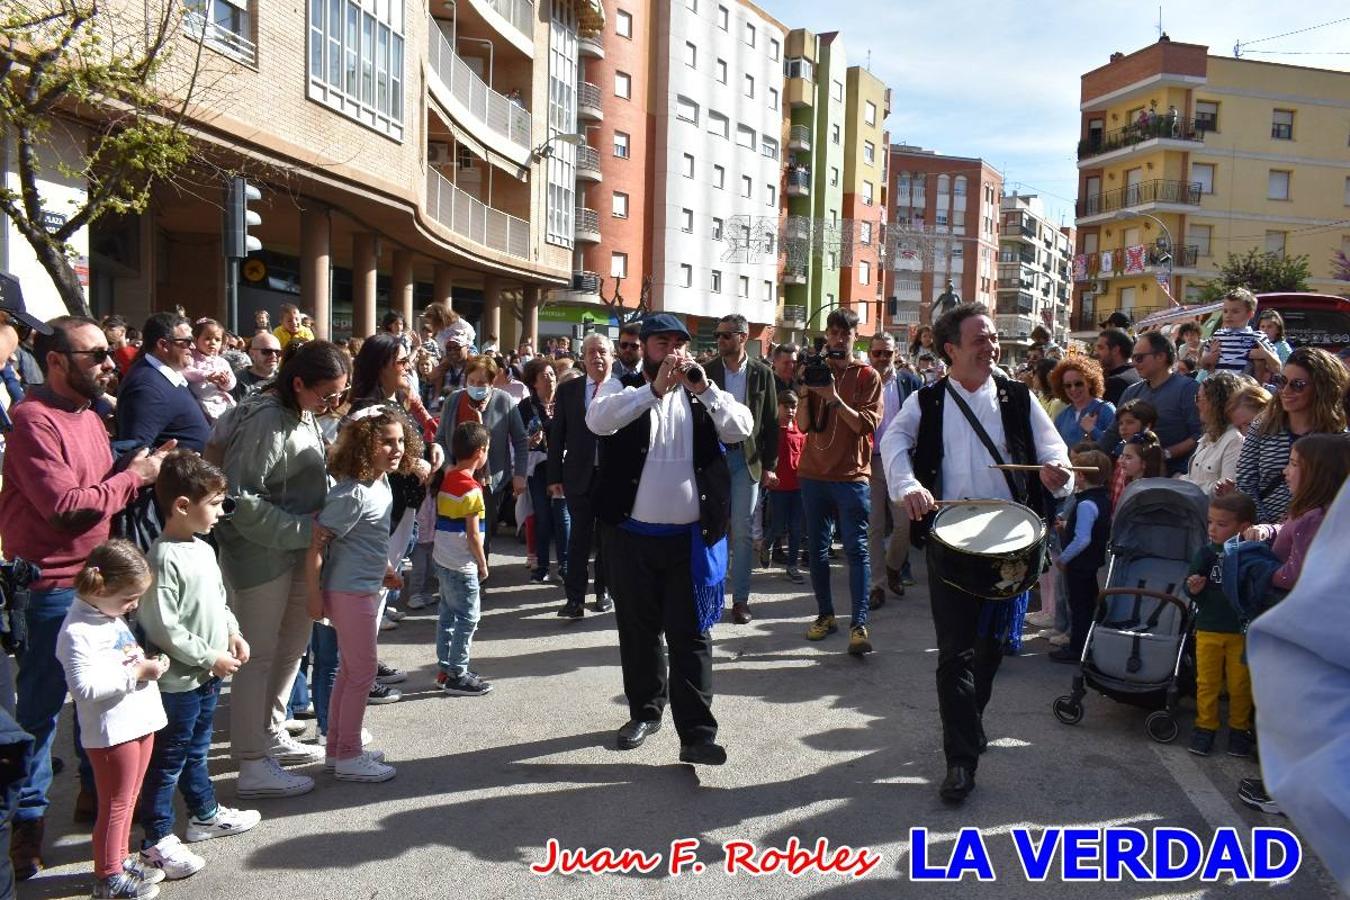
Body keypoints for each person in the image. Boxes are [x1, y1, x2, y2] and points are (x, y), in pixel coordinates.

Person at [0, 316, 173, 881]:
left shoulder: (91, 415)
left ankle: (96, 805)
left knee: (102, 703)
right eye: (95, 354)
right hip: (51, 587)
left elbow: (97, 493)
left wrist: (138, 467)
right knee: (42, 712)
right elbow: (68, 508)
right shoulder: (32, 420)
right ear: (54, 361)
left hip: (102, 584)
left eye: (110, 352)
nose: (108, 362)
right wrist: (136, 477)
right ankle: (25, 829)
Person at [881, 302, 1073, 804]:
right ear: (950, 350)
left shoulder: (1018, 397)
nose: (990, 346)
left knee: (990, 651)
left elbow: (1056, 452)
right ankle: (961, 760)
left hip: (1008, 543)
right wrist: (908, 485)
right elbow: (893, 444)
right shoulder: (926, 401)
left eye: (991, 338)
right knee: (954, 653)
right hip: (949, 542)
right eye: (980, 339)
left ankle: (970, 723)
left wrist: (1057, 472)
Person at [585, 313, 752, 765]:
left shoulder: (705, 391)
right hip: (631, 537)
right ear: (645, 346)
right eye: (662, 341)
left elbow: (742, 428)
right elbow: (598, 422)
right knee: (638, 631)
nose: (672, 351)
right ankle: (645, 710)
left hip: (689, 541)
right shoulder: (622, 387)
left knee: (691, 635)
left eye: (679, 342)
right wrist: (653, 390)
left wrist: (705, 390)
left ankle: (697, 734)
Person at [212, 340, 351, 799]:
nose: (332, 404)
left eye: (338, 394)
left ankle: (268, 734)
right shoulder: (268, 418)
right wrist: (303, 530)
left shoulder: (299, 410)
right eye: (326, 394)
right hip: (260, 553)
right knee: (259, 655)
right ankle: (251, 762)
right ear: (298, 383)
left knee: (292, 646)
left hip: (294, 549)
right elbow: (240, 497)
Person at [136, 453, 259, 879]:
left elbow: (218, 603)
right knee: (169, 759)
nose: (222, 512)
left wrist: (233, 632)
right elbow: (163, 625)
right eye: (216, 503)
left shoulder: (204, 549)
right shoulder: (163, 557)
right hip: (178, 683)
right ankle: (155, 841)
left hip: (207, 676)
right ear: (183, 505)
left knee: (196, 751)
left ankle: (204, 813)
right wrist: (211, 656)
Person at [1244, 480, 1350, 882]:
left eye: (1295, 465)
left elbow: (1295, 573)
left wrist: (1260, 567)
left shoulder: (1317, 518)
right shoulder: (1309, 513)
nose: (1287, 471)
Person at [303, 408, 412, 784]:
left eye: (400, 441)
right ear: (366, 445)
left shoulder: (379, 484)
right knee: (362, 671)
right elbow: (316, 545)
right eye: (387, 441)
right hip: (349, 592)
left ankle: (338, 749)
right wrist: (314, 595)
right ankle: (349, 754)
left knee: (351, 671)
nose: (396, 448)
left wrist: (385, 568)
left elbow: (368, 537)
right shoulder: (352, 493)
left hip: (363, 588)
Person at [55, 541, 168, 900]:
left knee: (130, 796)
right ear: (100, 588)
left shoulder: (107, 614)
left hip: (135, 721)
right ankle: (107, 877)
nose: (133, 605)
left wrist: (145, 667)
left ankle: (119, 860)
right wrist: (138, 672)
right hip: (111, 733)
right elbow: (84, 687)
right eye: (128, 598)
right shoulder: (76, 631)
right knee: (116, 803)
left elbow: (122, 660)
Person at [796, 309, 882, 654]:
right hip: (813, 473)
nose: (838, 339)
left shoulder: (867, 376)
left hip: (851, 476)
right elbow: (803, 426)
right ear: (826, 336)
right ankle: (825, 615)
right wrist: (806, 390)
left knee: (856, 550)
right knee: (816, 550)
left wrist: (833, 397)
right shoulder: (815, 373)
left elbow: (865, 425)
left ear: (854, 336)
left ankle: (859, 624)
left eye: (844, 333)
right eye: (832, 333)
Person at [705, 315, 778, 625]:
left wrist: (770, 466)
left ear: (742, 337)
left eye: (725, 336)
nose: (719, 341)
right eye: (717, 336)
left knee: (744, 532)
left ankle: (741, 600)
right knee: (714, 528)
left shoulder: (763, 374)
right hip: (713, 460)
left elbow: (772, 422)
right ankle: (712, 595)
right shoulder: (707, 371)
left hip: (747, 461)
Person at [1233, 347, 1347, 524]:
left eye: (1298, 385)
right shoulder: (1263, 426)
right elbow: (1245, 481)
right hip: (1261, 531)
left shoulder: (1337, 436)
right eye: (1281, 381)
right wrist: (1266, 527)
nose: (1285, 390)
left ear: (1321, 388)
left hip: (1311, 531)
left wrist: (1295, 526)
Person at [547, 334, 616, 618]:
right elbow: (557, 435)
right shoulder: (569, 390)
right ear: (583, 357)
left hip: (613, 476)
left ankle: (603, 592)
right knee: (578, 539)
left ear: (612, 356)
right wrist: (554, 476)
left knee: (607, 540)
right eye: (590, 352)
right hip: (578, 476)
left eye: (602, 351)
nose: (596, 357)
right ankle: (574, 599)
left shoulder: (624, 388)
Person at [1184, 492, 1257, 758]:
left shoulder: (1252, 555)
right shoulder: (1205, 553)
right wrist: (1194, 587)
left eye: (1221, 524)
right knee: (1207, 683)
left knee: (1240, 684)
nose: (1213, 529)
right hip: (1209, 627)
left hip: (1240, 631)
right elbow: (1191, 586)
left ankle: (1239, 729)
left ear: (1244, 527)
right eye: (1210, 522)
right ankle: (1205, 727)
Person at [436, 356, 527, 560]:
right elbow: (440, 438)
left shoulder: (504, 401)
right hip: (455, 478)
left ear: (492, 383)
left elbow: (520, 440)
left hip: (489, 481)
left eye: (482, 383)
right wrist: (447, 467)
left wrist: (519, 474)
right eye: (472, 382)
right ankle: (455, 576)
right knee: (454, 532)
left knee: (481, 533)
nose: (476, 387)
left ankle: (478, 577)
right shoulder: (454, 400)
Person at [432, 422, 493, 696]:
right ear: (480, 452)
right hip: (461, 563)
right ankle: (458, 672)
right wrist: (482, 563)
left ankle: (446, 668)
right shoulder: (472, 490)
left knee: (447, 615)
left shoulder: (447, 478)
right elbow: (473, 535)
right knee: (468, 618)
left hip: (442, 559)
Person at [866, 332, 918, 607]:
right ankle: (877, 585)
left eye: (887, 353)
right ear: (870, 354)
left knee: (905, 524)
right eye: (878, 353)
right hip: (870, 461)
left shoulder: (910, 382)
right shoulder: (862, 380)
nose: (883, 358)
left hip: (901, 462)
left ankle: (893, 566)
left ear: (895, 354)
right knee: (874, 526)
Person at [1049, 449, 1113, 664]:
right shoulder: (1102, 499)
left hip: (1080, 564)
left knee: (1080, 606)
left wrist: (1063, 558)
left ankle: (1078, 647)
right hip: (1090, 562)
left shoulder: (1086, 503)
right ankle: (1084, 643)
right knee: (1086, 603)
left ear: (1082, 475)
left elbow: (1082, 539)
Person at [1107, 330, 1201, 475]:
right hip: (1134, 477)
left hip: (1176, 477)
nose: (1134, 363)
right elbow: (1112, 434)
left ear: (1160, 357)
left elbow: (1199, 435)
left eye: (1139, 358)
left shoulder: (1188, 389)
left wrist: (1165, 454)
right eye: (1133, 358)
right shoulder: (1131, 392)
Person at [115, 312, 211, 452]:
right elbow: (135, 453)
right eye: (187, 342)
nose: (193, 347)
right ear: (163, 345)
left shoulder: (168, 376)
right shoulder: (146, 387)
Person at [519, 358, 569, 584]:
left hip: (563, 465)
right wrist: (530, 440)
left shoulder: (566, 401)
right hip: (538, 467)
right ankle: (541, 567)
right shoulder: (525, 406)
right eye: (543, 376)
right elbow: (517, 440)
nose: (549, 378)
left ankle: (566, 566)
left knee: (563, 516)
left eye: (551, 374)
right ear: (533, 383)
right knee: (542, 516)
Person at [1181, 372, 1245, 496]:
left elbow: (1225, 490)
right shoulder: (1207, 437)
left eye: (1199, 398)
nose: (1197, 404)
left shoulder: (1234, 440)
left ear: (1216, 403)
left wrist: (1186, 487)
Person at [765, 390, 805, 584]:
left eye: (793, 406)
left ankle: (792, 566)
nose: (790, 410)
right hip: (778, 487)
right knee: (778, 525)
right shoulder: (772, 429)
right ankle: (767, 544)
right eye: (786, 406)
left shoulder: (799, 429)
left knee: (796, 528)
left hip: (798, 487)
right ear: (778, 407)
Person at [1201, 288, 1280, 376]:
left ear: (1250, 314)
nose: (1228, 315)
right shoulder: (1217, 336)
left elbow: (1277, 368)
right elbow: (1202, 365)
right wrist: (1208, 359)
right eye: (1225, 311)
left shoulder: (1257, 337)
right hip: (1218, 387)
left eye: (1235, 311)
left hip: (1244, 387)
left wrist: (1266, 355)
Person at [1049, 356, 1115, 447]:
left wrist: (1093, 430)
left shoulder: (1106, 410)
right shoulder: (1062, 417)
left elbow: (1119, 447)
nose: (1073, 389)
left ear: (1090, 383)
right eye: (1068, 385)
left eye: (1078, 384)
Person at [182, 319, 236, 425]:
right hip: (199, 403)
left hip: (220, 402)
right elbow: (185, 371)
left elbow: (232, 383)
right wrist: (206, 375)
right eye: (207, 338)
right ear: (196, 339)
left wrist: (225, 382)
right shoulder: (191, 357)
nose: (213, 343)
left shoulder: (222, 362)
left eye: (217, 339)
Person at [1095, 328, 1139, 405]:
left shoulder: (1115, 383)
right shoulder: (1138, 373)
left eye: (1101, 348)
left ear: (1115, 350)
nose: (1096, 353)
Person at [232, 331, 282, 399]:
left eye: (278, 352)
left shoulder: (285, 379)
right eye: (267, 351)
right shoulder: (235, 381)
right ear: (252, 354)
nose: (273, 356)